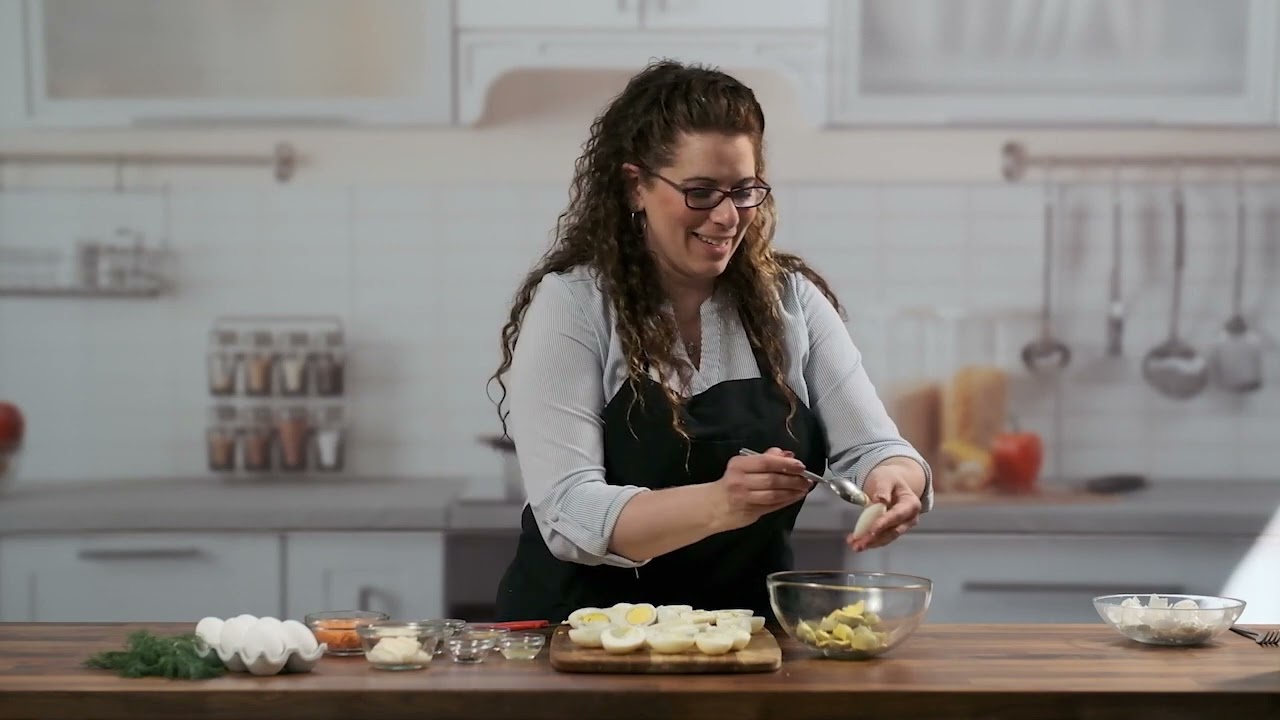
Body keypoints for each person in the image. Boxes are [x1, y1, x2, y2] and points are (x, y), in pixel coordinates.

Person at [489, 60, 932, 624]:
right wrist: (720, 503)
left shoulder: (790, 301)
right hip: (582, 642)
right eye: (700, 192)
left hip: (741, 640)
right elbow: (569, 515)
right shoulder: (575, 305)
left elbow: (873, 447)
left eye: (744, 190)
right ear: (635, 186)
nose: (727, 216)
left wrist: (894, 481)